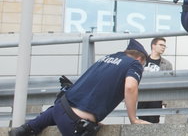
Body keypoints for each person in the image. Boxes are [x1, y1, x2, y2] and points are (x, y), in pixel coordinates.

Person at [9, 38, 151, 136]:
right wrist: (133, 119)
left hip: (59, 108)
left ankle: (24, 129)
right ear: (140, 59)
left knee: (25, 130)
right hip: (75, 122)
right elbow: (131, 87)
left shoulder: (106, 59)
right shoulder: (135, 64)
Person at [137, 37, 173, 123]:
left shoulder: (167, 64)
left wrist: (165, 100)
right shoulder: (142, 61)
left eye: (164, 46)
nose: (163, 47)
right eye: (161, 45)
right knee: (141, 122)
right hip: (142, 96)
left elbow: (169, 83)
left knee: (154, 122)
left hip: (157, 97)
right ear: (153, 46)